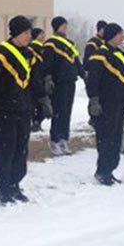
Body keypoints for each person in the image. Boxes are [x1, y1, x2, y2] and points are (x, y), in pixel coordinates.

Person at [0, 16, 45, 204]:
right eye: (26, 33)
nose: (29, 37)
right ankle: (4, 188)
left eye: (30, 33)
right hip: (3, 111)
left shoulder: (28, 54)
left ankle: (15, 184)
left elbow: (34, 80)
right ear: (17, 33)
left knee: (21, 151)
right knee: (5, 152)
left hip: (23, 109)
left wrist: (43, 98)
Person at [86, 23, 124, 186]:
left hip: (118, 103)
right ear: (112, 35)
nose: (122, 37)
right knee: (106, 138)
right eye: (119, 34)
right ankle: (102, 171)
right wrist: (94, 101)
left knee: (116, 138)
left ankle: (110, 169)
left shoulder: (120, 54)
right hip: (105, 104)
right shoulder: (99, 55)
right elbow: (92, 81)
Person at [42, 16, 84, 156]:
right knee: (58, 111)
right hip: (58, 82)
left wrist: (83, 74)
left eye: (66, 25)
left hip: (70, 81)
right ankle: (54, 140)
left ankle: (64, 139)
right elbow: (47, 63)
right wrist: (48, 77)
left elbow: (76, 61)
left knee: (67, 111)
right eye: (63, 26)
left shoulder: (69, 43)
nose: (66, 28)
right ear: (57, 27)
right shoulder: (51, 43)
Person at [28, 27, 50, 132]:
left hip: (41, 77)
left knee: (40, 101)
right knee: (35, 101)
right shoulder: (32, 48)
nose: (43, 36)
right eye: (41, 34)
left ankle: (38, 121)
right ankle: (35, 121)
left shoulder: (43, 48)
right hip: (35, 77)